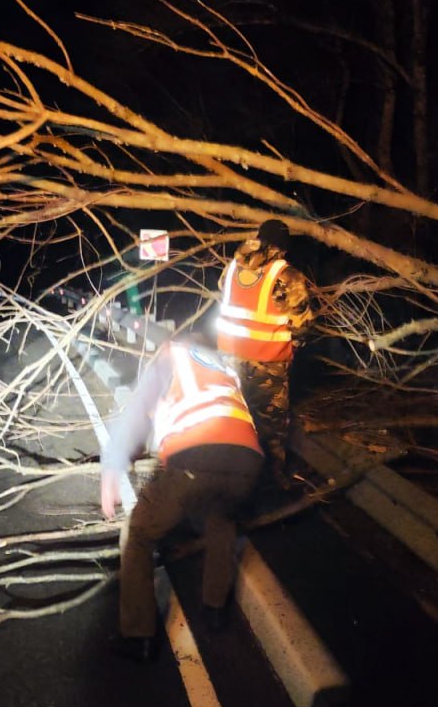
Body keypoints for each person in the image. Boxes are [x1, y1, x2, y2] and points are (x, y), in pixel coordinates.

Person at [99, 336, 264, 663]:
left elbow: (137, 413)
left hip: (195, 455)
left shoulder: (169, 353)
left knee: (139, 533)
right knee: (222, 521)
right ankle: (215, 609)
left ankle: (138, 635)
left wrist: (114, 467)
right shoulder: (222, 366)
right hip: (247, 463)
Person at [215, 219, 315, 486]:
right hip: (268, 363)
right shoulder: (286, 275)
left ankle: (228, 479)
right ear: (283, 246)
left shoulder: (232, 267)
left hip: (229, 359)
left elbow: (224, 296)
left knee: (235, 418)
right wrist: (296, 346)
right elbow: (302, 323)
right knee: (270, 428)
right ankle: (270, 484)